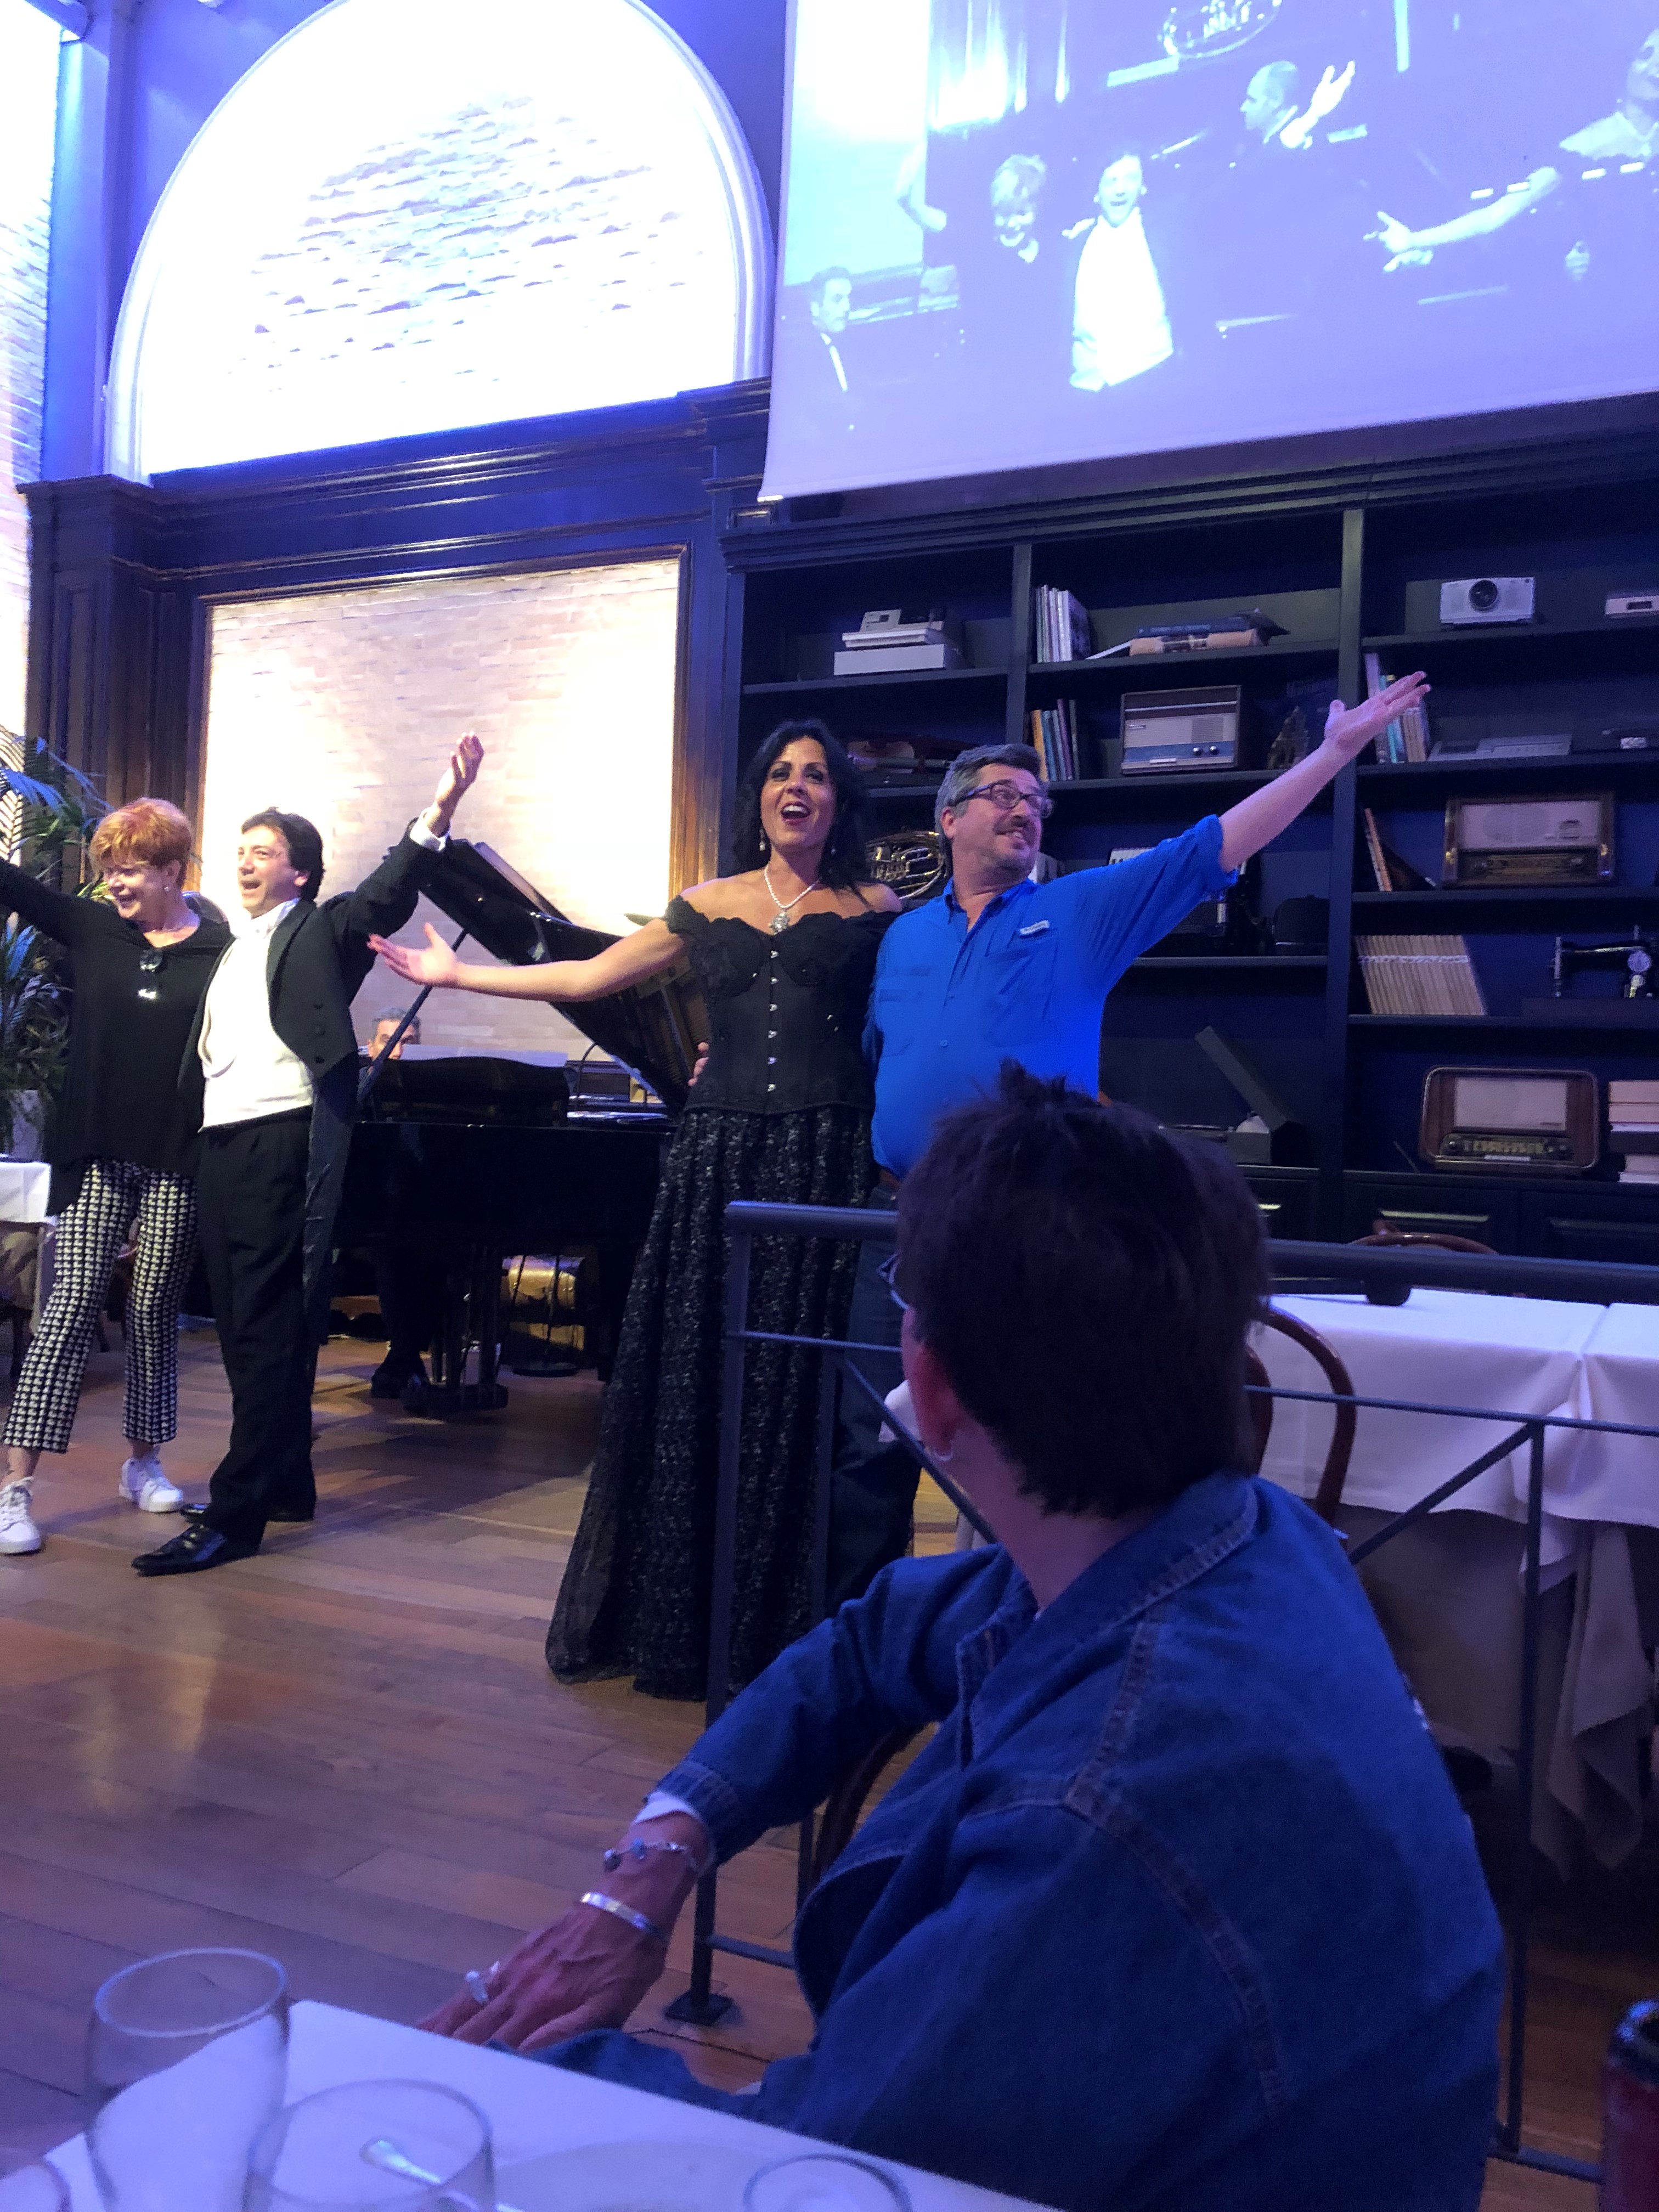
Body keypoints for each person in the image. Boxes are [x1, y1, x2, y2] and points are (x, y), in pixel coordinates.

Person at [417, 1070, 1505, 2212]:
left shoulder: (1107, 1812)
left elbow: (819, 2181)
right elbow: (874, 1635)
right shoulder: (1241, 1537)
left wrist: (508, 2067)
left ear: (928, 1388)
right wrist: (653, 1864)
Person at [829, 668, 1430, 1606]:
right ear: (948, 818)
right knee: (867, 1442)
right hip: (894, 1220)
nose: (1024, 811)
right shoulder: (902, 937)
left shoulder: (1079, 910)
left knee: (1022, 1445)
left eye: (1036, 802)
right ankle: (857, 1640)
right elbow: (870, 1056)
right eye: (1001, 795)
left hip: (1018, 1218)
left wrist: (1332, 752)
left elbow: (1213, 846)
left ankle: (1026, 1642)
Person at [372, 721, 900, 1697]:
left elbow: (901, 1028)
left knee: (801, 1390)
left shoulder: (877, 909)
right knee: (704, 1374)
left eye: (817, 775)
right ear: (758, 797)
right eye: (780, 773)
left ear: (839, 801)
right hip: (718, 1161)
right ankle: (683, 1620)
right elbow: (587, 976)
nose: (797, 787)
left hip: (826, 1161)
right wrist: (456, 975)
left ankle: (794, 1626)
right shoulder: (705, 903)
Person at [130, 735, 483, 1578]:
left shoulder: (321, 930)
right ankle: (286, 1480)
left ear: (300, 873)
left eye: (264, 853)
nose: (246, 863)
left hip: (279, 1139)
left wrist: (439, 809)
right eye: (241, 851)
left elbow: (387, 892)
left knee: (261, 1330)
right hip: (222, 1145)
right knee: (249, 1322)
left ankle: (235, 1514)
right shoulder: (229, 943)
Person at [0, 800, 230, 1558]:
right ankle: (14, 1491)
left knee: (155, 1310)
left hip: (177, 1158)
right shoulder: (94, 928)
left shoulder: (222, 952)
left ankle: (143, 1464)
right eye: (109, 871)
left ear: (172, 871)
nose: (114, 885)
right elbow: (13, 885)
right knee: (67, 1310)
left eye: (130, 871)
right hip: (97, 1155)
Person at [1370, 26, 1659, 281]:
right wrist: (1413, 241)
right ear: (1623, 64)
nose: (1656, 65)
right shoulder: (1585, 144)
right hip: (1616, 284)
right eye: (1645, 55)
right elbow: (1497, 214)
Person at [1065, 148, 1176, 391]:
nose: (1120, 189)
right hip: (1087, 389)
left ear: (1143, 187)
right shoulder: (1074, 245)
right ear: (1096, 192)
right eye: (1111, 181)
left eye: (1131, 179)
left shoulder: (1163, 237)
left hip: (1153, 380)